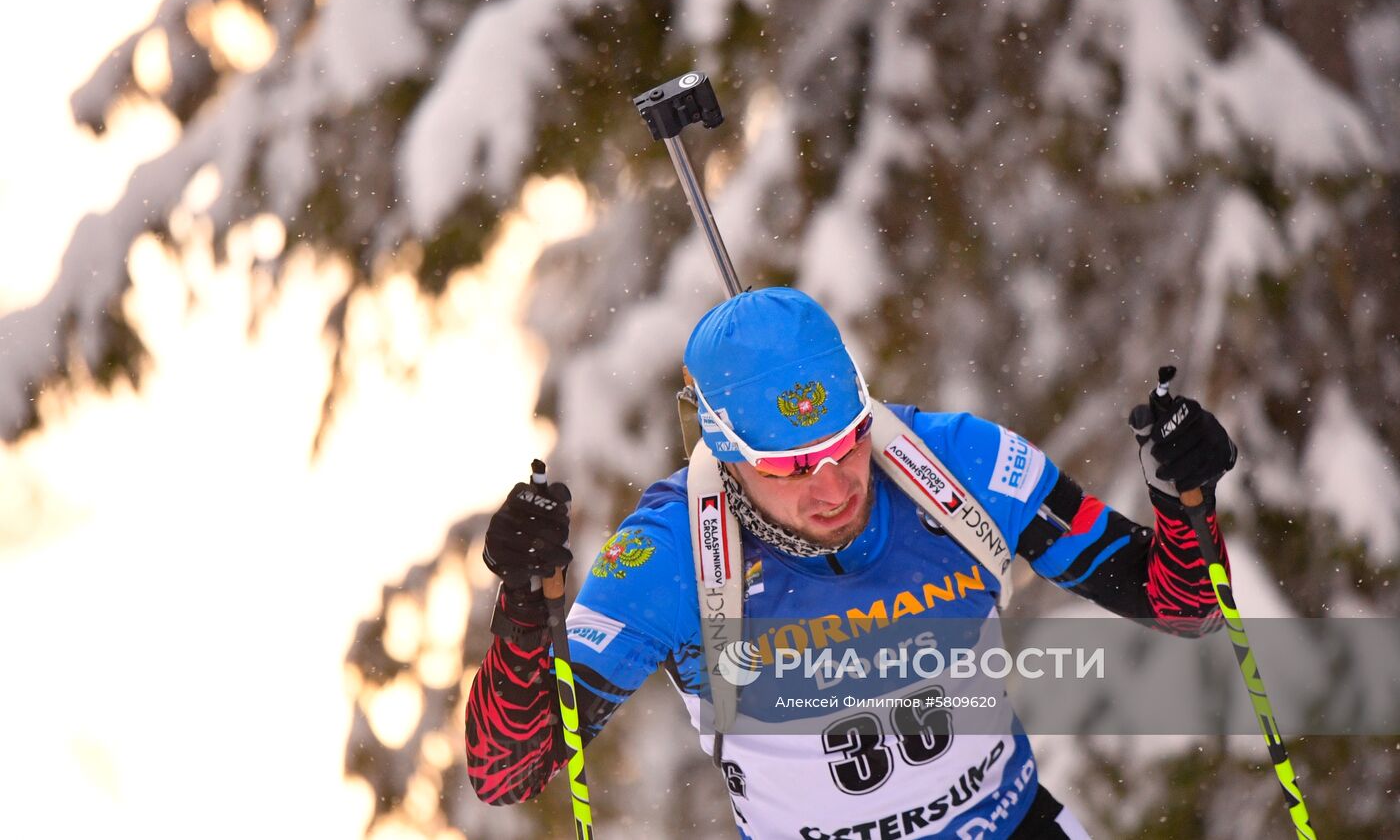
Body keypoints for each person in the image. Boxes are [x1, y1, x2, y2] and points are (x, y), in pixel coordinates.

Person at [465, 287, 1237, 838]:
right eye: (793, 466)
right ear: (726, 457)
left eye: (846, 444)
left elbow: (1187, 607)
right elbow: (507, 770)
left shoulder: (960, 463)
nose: (835, 487)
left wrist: (1183, 499)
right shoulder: (668, 557)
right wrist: (525, 607)